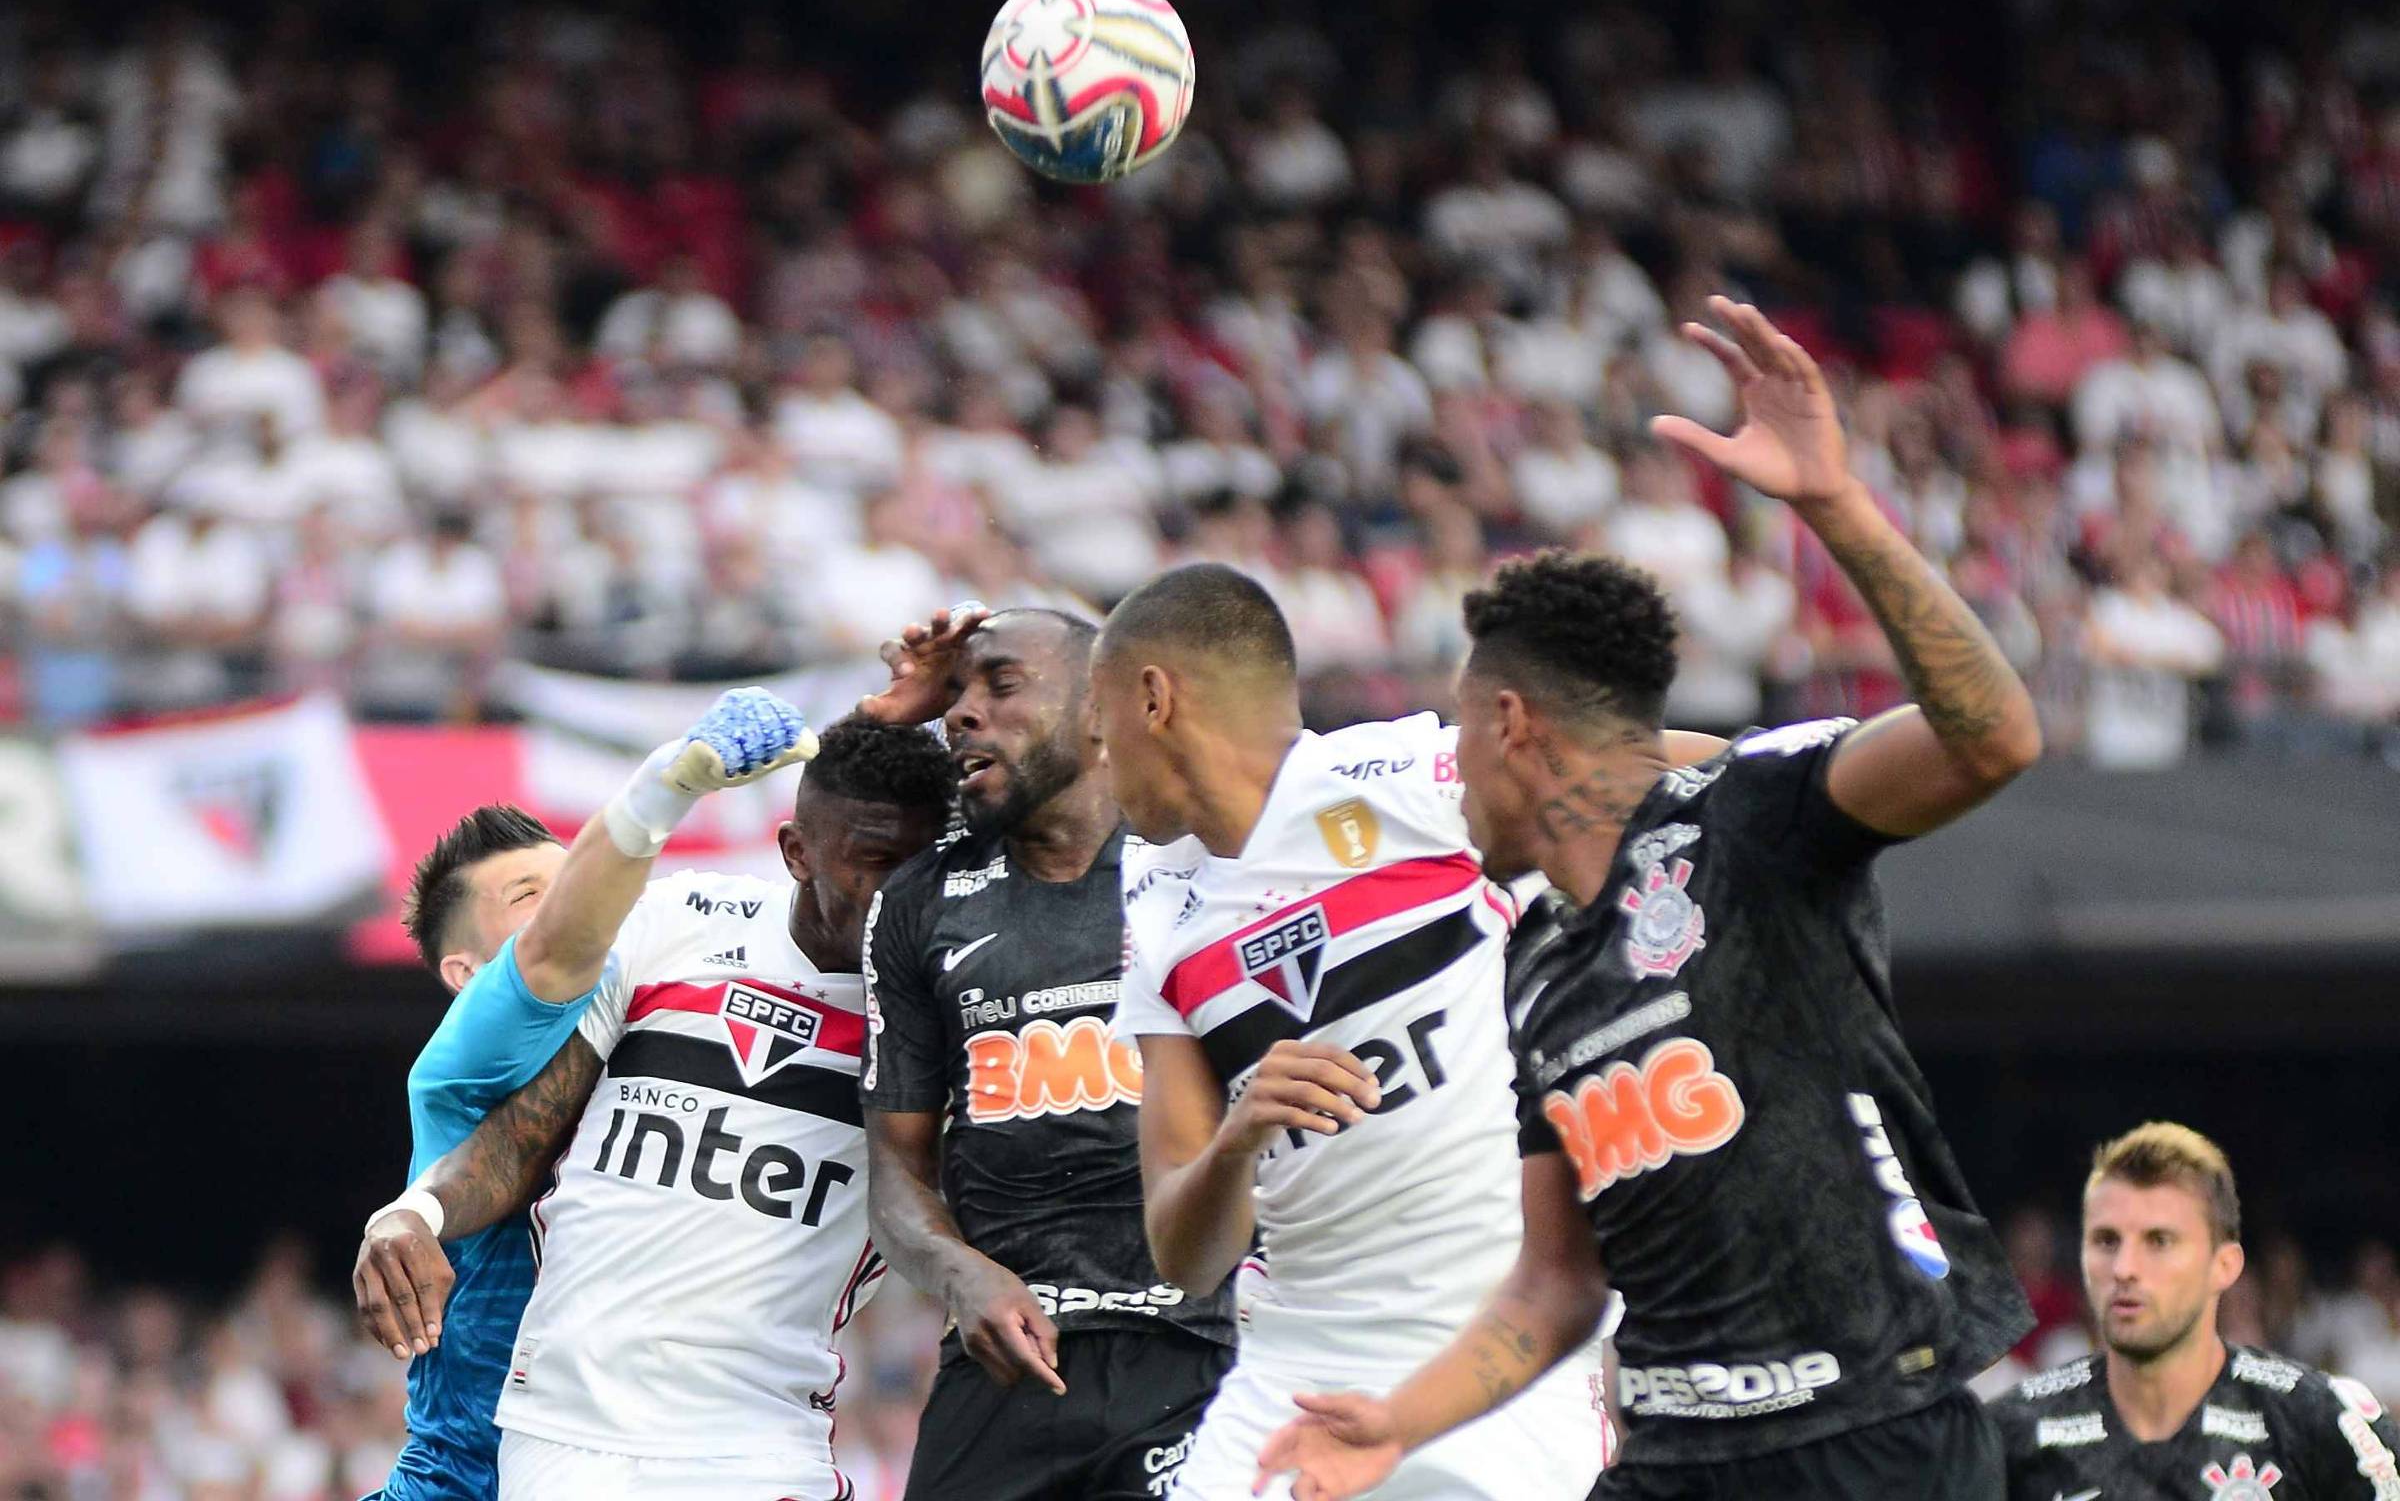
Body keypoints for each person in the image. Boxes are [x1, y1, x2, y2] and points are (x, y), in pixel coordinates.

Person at [1256, 298, 2042, 1500]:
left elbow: (1991, 738)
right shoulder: (1532, 961)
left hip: (1873, 1437)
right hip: (1675, 1458)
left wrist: (1834, 505)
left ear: (1512, 725)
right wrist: (1395, 1424)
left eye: (1462, 727)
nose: (1449, 769)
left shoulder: (1751, 813)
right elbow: (1552, 1286)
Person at [1092, 568, 1730, 1500]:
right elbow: (1183, 1256)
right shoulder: (1151, 897)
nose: (1099, 757)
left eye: (1099, 722)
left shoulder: (1406, 778)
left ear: (1152, 699)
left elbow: (1703, 768)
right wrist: (1239, 1135)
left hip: (1498, 1352)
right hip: (1292, 1371)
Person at [353, 713, 949, 1501]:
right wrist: (409, 1214)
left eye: (584, 879)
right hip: (507, 1465)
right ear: (467, 970)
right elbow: (552, 967)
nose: (594, 906)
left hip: (754, 1447)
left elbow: (862, 786)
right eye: (546, 893)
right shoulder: (460, 1074)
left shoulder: (926, 1002)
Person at [854, 605, 1237, 1501]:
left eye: (1002, 684)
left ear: (1102, 708)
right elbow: (897, 1175)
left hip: (1202, 1355)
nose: (961, 712)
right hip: (1007, 1365)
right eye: (956, 695)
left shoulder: (1211, 868)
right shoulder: (919, 903)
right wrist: (962, 1276)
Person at [1992, 1122, 2400, 1500]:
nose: (2124, 1268)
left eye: (2159, 1241)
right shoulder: (2009, 1434)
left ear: (2223, 1267)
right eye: (2106, 1241)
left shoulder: (2318, 1423)